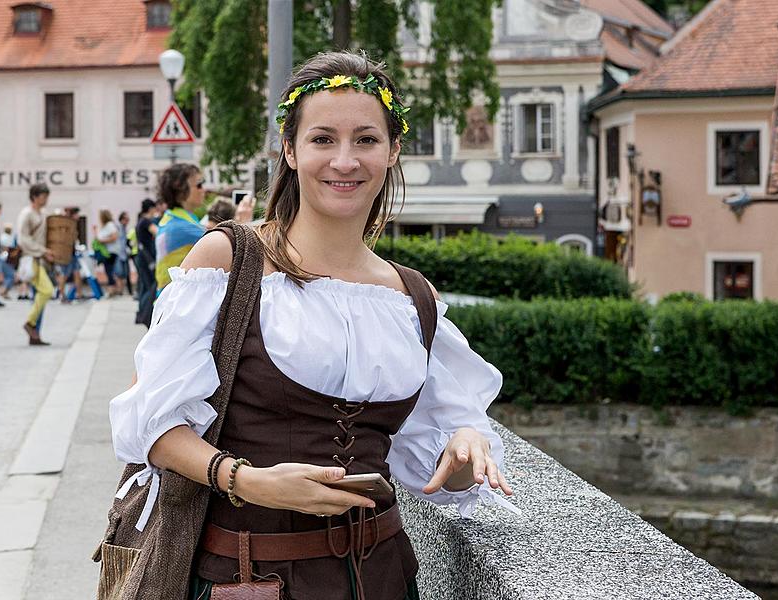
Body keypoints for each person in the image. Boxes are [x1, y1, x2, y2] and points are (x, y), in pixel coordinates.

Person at [108, 52, 516, 600]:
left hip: (384, 578)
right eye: (323, 139)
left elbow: (441, 477)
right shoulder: (229, 262)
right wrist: (246, 480)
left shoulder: (412, 297)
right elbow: (150, 424)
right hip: (249, 578)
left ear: (393, 150)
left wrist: (466, 445)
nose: (344, 161)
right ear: (290, 149)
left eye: (366, 140)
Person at [153, 163, 206, 293]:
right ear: (180, 190)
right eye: (198, 185)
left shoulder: (174, 218)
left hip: (170, 299)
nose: (203, 189)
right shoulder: (182, 226)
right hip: (174, 301)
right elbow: (227, 243)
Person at [17, 183, 55, 346]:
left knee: (40, 298)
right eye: (43, 196)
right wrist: (42, 250)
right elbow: (23, 239)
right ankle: (30, 323)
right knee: (46, 291)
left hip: (41, 259)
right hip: (32, 258)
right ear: (35, 196)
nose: (46, 199)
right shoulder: (26, 214)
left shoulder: (44, 214)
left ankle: (35, 334)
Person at [133, 198, 159, 327]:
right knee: (150, 288)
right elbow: (158, 232)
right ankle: (144, 314)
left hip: (141, 258)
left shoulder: (139, 221)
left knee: (144, 286)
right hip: (147, 259)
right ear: (151, 208)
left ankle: (141, 314)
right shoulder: (146, 221)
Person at [55, 207, 84, 302]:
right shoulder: (67, 224)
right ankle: (62, 295)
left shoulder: (73, 224)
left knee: (76, 273)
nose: (78, 216)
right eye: (77, 214)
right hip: (67, 253)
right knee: (65, 274)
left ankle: (79, 294)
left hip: (73, 253)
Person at [92, 209, 121, 297]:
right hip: (108, 252)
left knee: (109, 271)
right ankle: (114, 289)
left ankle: (112, 289)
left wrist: (102, 241)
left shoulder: (110, 225)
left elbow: (114, 237)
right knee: (109, 271)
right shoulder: (106, 226)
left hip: (110, 252)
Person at [116, 211, 134, 297]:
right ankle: (120, 291)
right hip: (119, 255)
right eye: (126, 219)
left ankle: (125, 291)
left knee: (126, 273)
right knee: (120, 273)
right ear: (122, 219)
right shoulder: (118, 228)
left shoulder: (124, 229)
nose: (127, 222)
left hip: (124, 255)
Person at [0, 223, 17, 299]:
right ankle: (4, 291)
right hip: (8, 258)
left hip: (3, 258)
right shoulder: (9, 238)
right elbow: (9, 248)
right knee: (11, 276)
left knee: (7, 276)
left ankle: (5, 292)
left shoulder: (2, 237)